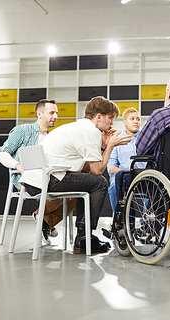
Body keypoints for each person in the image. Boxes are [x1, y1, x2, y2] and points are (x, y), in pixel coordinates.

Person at [19, 96, 132, 254]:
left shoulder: (79, 127)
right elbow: (98, 171)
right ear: (99, 116)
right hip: (49, 179)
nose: (112, 124)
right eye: (111, 118)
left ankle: (83, 236)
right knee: (100, 183)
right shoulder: (91, 131)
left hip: (36, 180)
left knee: (91, 184)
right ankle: (85, 237)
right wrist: (110, 146)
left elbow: (85, 171)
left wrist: (102, 146)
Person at [0, 99, 75, 245]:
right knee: (61, 190)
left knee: (73, 195)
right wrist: (17, 164)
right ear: (40, 114)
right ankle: (44, 221)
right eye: (52, 113)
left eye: (56, 113)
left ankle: (44, 222)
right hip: (27, 179)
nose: (56, 116)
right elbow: (1, 153)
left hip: (49, 179)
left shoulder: (54, 138)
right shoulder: (23, 131)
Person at [107, 107, 146, 212]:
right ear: (124, 122)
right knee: (113, 186)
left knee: (154, 184)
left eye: (138, 119)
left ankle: (147, 223)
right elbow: (111, 166)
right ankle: (120, 221)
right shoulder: (117, 139)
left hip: (144, 175)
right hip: (125, 175)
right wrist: (123, 173)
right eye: (132, 119)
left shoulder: (146, 137)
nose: (136, 121)